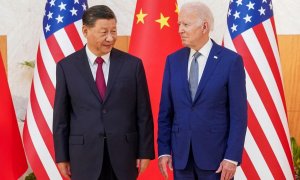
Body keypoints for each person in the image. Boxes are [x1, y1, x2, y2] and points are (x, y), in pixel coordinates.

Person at [53, 5, 154, 180]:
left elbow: (143, 113)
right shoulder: (66, 67)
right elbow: (61, 118)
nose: (110, 38)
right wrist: (62, 156)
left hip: (124, 155)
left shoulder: (133, 65)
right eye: (103, 32)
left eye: (113, 31)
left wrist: (145, 152)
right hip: (83, 156)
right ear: (85, 30)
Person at [157, 2, 247, 180]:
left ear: (204, 26)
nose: (180, 30)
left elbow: (239, 115)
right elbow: (166, 112)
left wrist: (232, 157)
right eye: (179, 25)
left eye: (186, 24)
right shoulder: (173, 61)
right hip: (181, 158)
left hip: (217, 160)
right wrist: (164, 150)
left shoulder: (230, 61)